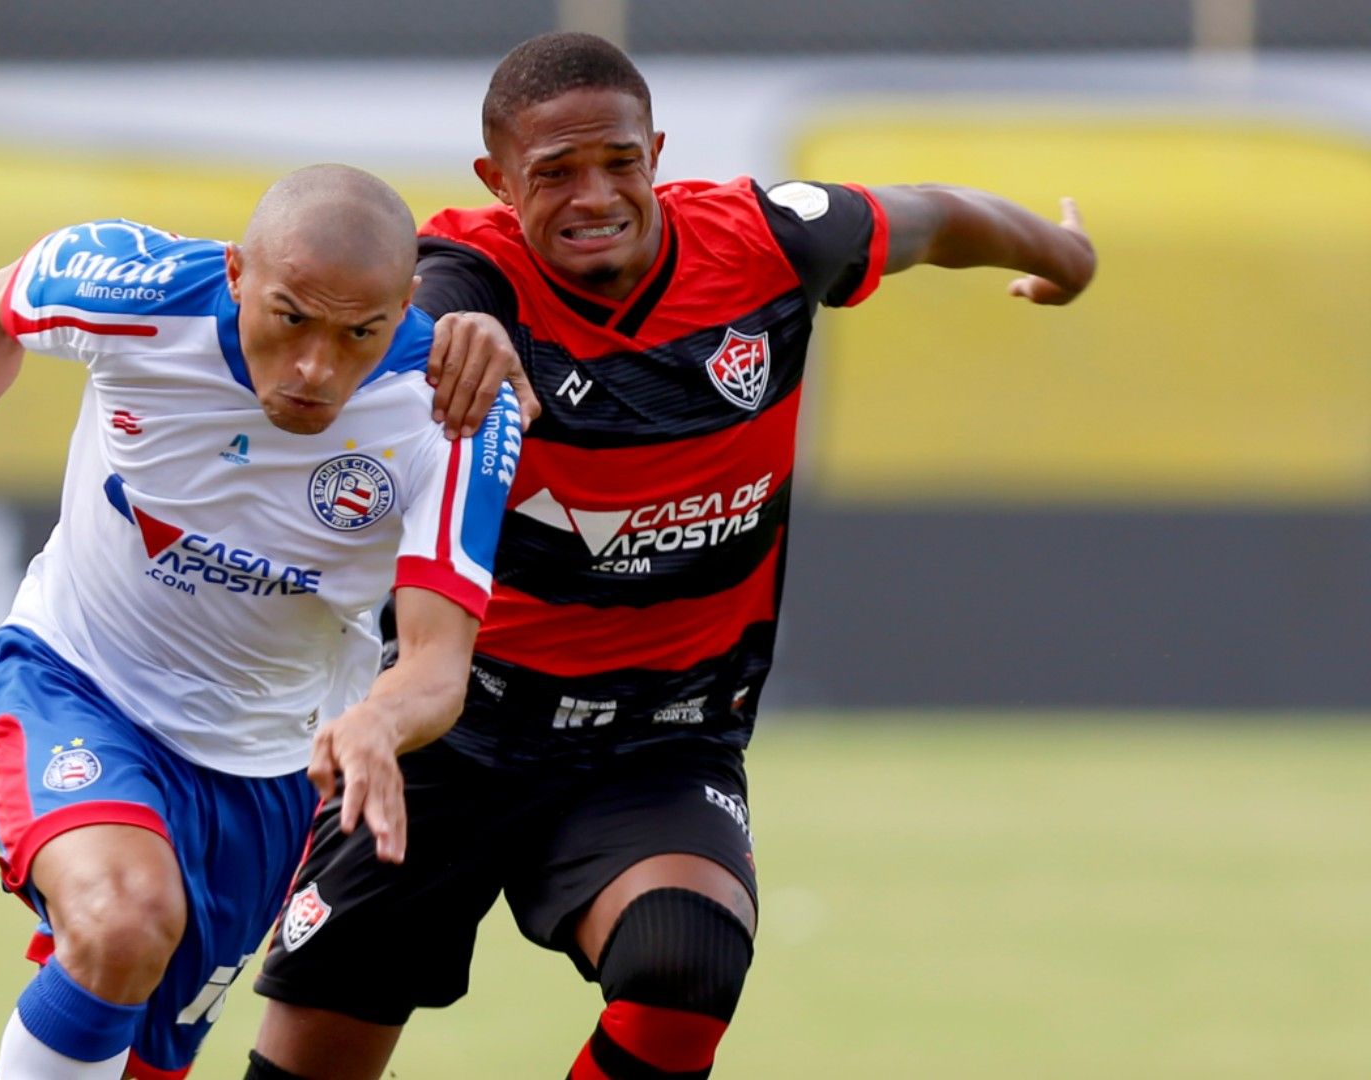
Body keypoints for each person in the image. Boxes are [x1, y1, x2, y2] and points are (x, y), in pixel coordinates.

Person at [248, 33, 1097, 1080]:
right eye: (554, 173)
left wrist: (1066, 259)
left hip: (659, 738)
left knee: (684, 964)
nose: (595, 195)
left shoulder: (770, 243)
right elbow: (399, 306)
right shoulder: (466, 275)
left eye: (619, 161)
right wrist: (441, 329)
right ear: (498, 181)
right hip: (449, 734)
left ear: (656, 152)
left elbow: (934, 216)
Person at [0, 164, 525, 1080]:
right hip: (75, 680)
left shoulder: (453, 410)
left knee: (139, 1051)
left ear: (406, 305)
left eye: (358, 333)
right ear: (237, 273)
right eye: (291, 319)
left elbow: (438, 667)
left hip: (266, 771)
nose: (316, 366)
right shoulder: (140, 289)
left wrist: (377, 721)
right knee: (122, 923)